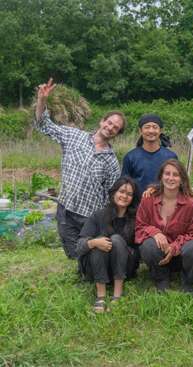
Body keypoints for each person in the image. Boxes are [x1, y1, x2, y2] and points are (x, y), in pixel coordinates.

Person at [34, 78, 125, 259]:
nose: (110, 127)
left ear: (117, 134)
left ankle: (92, 271)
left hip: (89, 215)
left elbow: (111, 195)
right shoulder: (73, 136)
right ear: (102, 121)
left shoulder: (112, 162)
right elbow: (44, 125)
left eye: (116, 128)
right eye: (109, 123)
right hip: (66, 208)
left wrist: (107, 222)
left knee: (89, 251)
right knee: (72, 254)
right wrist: (42, 100)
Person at [135, 159, 193, 293]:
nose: (171, 178)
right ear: (161, 176)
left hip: (182, 255)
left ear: (182, 179)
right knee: (148, 245)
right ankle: (161, 278)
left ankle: (189, 280)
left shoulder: (191, 204)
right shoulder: (148, 199)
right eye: (167, 173)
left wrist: (174, 247)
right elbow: (140, 225)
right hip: (159, 254)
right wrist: (156, 232)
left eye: (176, 174)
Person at [76, 177, 139, 312]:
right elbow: (79, 247)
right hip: (97, 266)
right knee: (100, 241)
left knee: (116, 239)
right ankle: (101, 296)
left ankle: (117, 294)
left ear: (133, 198)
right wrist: (93, 242)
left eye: (129, 194)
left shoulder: (136, 219)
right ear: (114, 193)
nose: (124, 196)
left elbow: (138, 250)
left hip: (124, 268)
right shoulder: (98, 216)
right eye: (121, 191)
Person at [121, 114, 178, 196]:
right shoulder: (130, 157)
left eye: (155, 127)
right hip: (138, 205)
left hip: (164, 203)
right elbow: (124, 184)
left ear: (160, 130)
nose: (151, 131)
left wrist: (157, 188)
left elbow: (177, 182)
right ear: (140, 131)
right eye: (147, 127)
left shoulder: (170, 157)